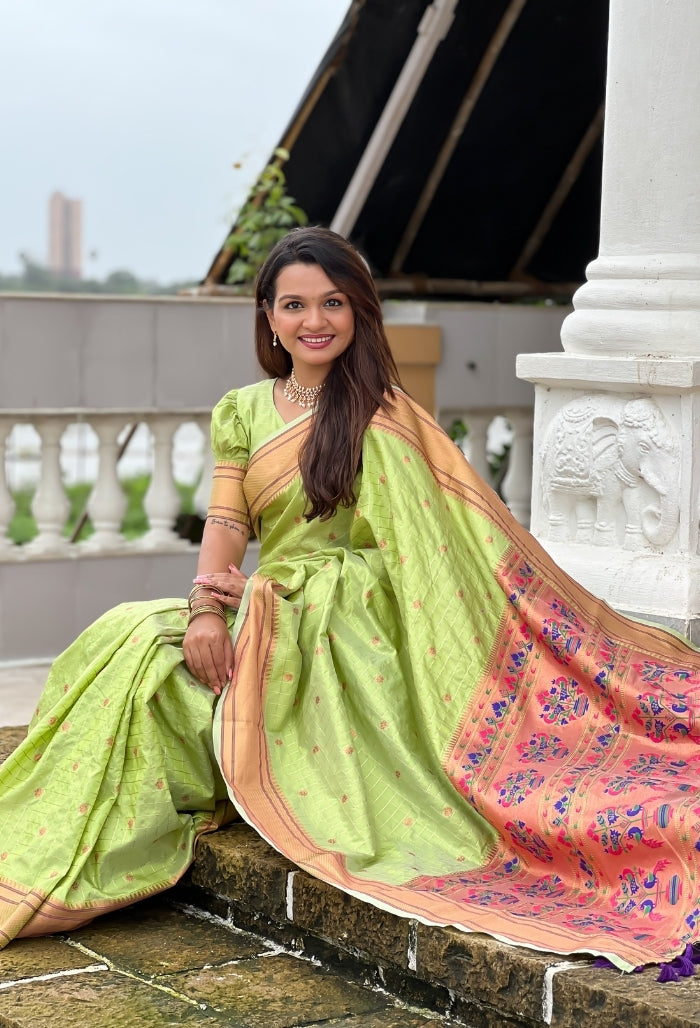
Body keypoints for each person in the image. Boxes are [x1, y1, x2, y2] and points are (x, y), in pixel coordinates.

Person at [2, 227, 700, 979]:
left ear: (359, 311)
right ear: (268, 316)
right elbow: (229, 524)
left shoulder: (383, 414)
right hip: (262, 611)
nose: (315, 321)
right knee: (132, 637)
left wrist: (282, 595)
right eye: (294, 304)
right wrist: (209, 609)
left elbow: (417, 553)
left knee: (162, 672)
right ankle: (56, 840)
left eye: (333, 303)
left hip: (340, 627)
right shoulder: (241, 410)